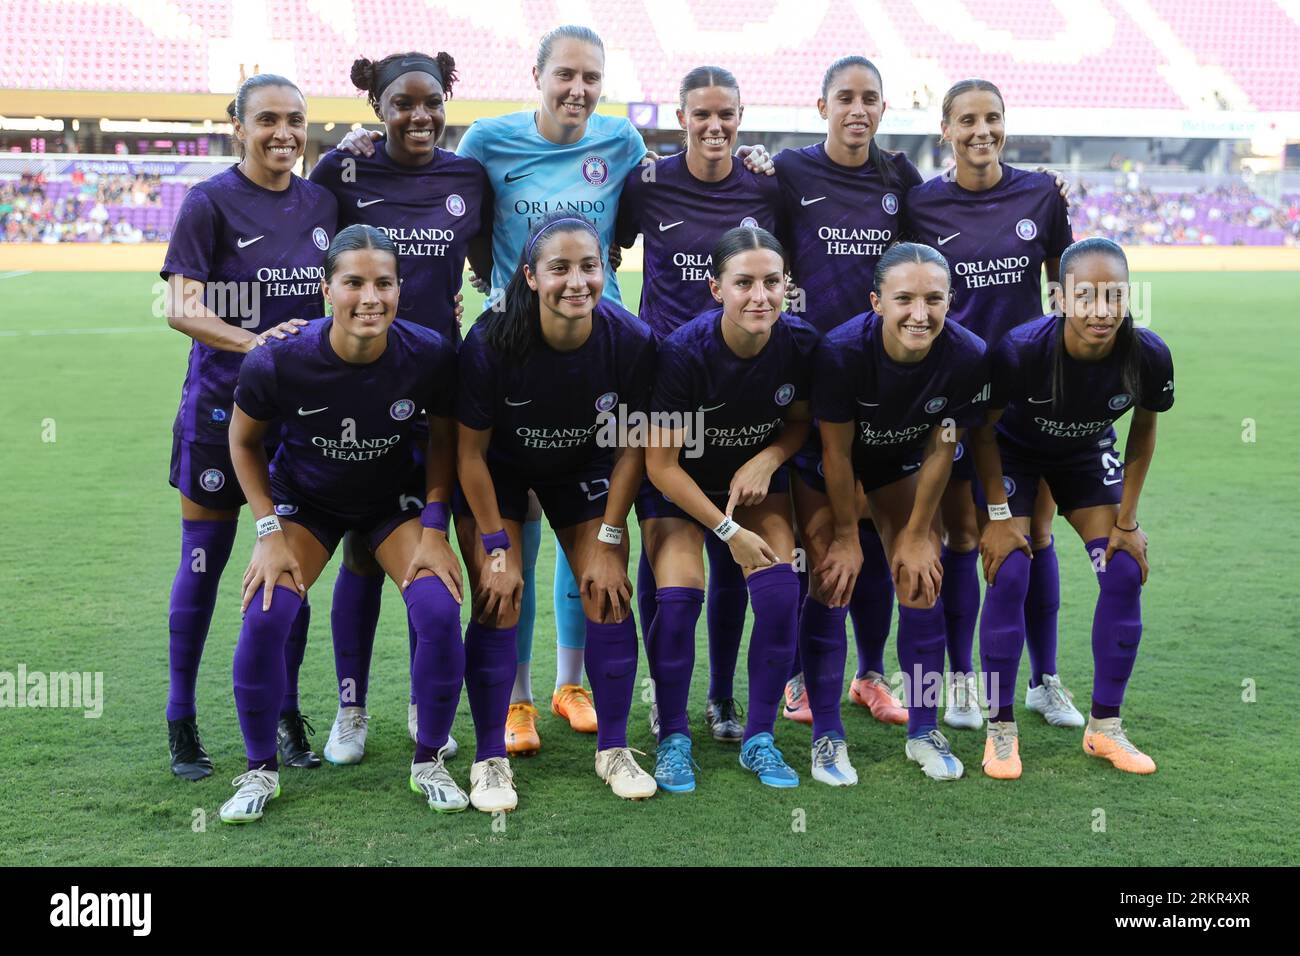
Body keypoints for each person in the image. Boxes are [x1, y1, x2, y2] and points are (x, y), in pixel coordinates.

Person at [338, 27, 774, 758]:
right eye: (564, 75)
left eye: (591, 78)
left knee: (589, 514)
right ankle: (515, 698)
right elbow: (464, 214)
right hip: (509, 349)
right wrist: (360, 142)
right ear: (536, 75)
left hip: (591, 352)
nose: (577, 89)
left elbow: (657, 206)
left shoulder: (625, 146)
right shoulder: (488, 142)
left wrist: (756, 156)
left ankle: (575, 682)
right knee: (515, 531)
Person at [220, 224, 466, 822]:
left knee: (438, 610)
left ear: (400, 291)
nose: (370, 298)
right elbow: (244, 442)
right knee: (267, 612)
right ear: (327, 289)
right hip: (308, 502)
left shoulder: (428, 352)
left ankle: (428, 760)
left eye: (384, 283)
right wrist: (267, 532)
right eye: (353, 283)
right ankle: (258, 772)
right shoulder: (279, 359)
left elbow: (444, 441)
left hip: (391, 500)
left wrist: (435, 528)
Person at [309, 50, 491, 764]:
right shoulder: (342, 171)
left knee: (428, 552)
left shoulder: (468, 176)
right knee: (359, 546)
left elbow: (485, 261)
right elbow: (311, 258)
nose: (419, 116)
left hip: (436, 387)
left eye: (431, 101)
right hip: (355, 388)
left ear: (448, 100)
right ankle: (350, 706)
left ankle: (425, 698)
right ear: (375, 109)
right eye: (402, 104)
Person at [162, 74, 337, 780]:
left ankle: (287, 714)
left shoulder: (323, 199)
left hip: (297, 422)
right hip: (216, 415)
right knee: (202, 567)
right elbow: (180, 307)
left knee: (285, 573)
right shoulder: (209, 202)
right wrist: (255, 340)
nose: (284, 134)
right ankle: (182, 717)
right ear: (237, 125)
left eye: (296, 120)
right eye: (267, 120)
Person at [455, 212, 657, 806]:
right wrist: (495, 544)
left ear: (605, 271)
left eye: (589, 267)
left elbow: (633, 447)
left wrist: (611, 538)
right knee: (499, 593)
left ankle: (614, 749)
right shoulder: (492, 340)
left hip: (586, 472)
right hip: (500, 475)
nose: (577, 281)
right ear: (529, 276)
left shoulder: (631, 340)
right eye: (559, 268)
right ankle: (489, 756)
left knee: (608, 589)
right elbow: (469, 455)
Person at [615, 65, 783, 744]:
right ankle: (665, 693)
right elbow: (611, 243)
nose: (715, 127)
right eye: (701, 115)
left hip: (739, 389)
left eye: (727, 115)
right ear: (680, 117)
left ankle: (720, 699)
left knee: (733, 550)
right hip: (663, 382)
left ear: (742, 117)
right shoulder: (649, 183)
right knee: (665, 543)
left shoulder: (767, 184)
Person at [904, 79, 1075, 731]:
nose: (982, 131)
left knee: (1033, 535)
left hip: (1029, 395)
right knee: (963, 536)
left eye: (993, 118)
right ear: (944, 130)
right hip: (952, 398)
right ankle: (961, 680)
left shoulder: (1040, 193)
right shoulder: (921, 204)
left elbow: (1061, 287)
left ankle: (1044, 680)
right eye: (967, 120)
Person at [971, 238, 1173, 779]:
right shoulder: (1020, 350)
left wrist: (1126, 523)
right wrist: (995, 519)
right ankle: (1001, 730)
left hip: (1084, 452)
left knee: (1125, 569)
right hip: (1013, 452)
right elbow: (982, 434)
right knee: (1010, 570)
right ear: (1060, 298)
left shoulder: (1148, 354)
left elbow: (1143, 433)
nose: (1101, 311)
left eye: (1114, 296)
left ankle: (1104, 729)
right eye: (1086, 296)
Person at [640, 226, 817, 792]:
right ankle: (672, 736)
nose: (760, 296)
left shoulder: (801, 344)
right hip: (680, 487)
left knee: (780, 590)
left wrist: (769, 457)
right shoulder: (682, 353)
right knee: (680, 593)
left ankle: (758, 737)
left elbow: (799, 425)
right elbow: (661, 466)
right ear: (717, 289)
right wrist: (726, 529)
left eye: (772, 282)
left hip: (754, 485)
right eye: (744, 283)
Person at [775, 55, 922, 729]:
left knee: (870, 526)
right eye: (844, 97)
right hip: (808, 378)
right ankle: (801, 678)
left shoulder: (901, 178)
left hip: (884, 381)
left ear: (884, 110)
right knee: (820, 533)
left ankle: (869, 674)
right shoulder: (789, 171)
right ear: (822, 106)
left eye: (869, 98)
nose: (857, 108)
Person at [813, 242, 990, 783]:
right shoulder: (841, 352)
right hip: (826, 469)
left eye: (934, 299)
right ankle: (827, 734)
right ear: (876, 302)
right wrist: (845, 533)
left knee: (921, 576)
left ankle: (923, 729)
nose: (921, 313)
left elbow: (943, 448)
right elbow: (836, 454)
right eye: (905, 299)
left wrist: (916, 533)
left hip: (896, 463)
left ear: (950, 300)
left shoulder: (966, 354)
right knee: (831, 578)